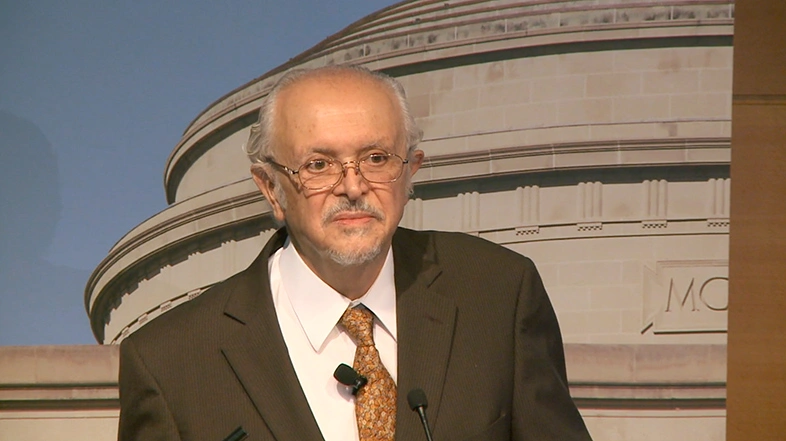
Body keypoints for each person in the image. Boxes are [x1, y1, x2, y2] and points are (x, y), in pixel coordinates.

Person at [118, 65, 592, 441]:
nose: (352, 186)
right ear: (270, 189)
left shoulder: (497, 293)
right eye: (318, 164)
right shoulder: (170, 359)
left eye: (376, 158)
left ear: (411, 172)